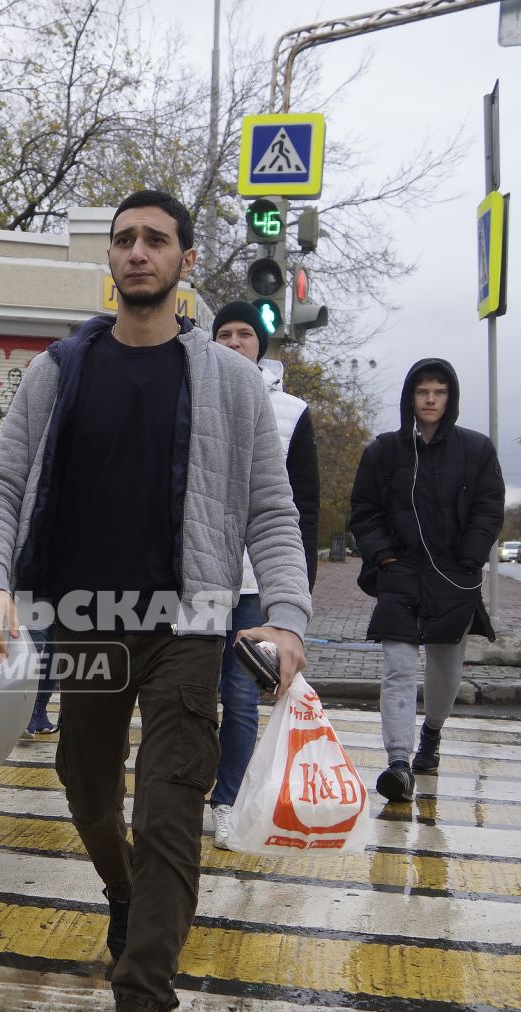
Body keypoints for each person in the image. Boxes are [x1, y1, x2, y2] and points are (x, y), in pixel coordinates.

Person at [0, 189, 311, 1012]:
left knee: (168, 816)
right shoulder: (60, 371)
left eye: (156, 240)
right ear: (109, 262)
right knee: (85, 791)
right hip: (86, 620)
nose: (138, 252)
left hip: (188, 629)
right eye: (124, 240)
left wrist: (286, 618)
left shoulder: (232, 385)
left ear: (185, 261)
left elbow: (273, 513)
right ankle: (121, 895)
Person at [348, 358, 504, 802]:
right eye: (423, 391)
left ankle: (432, 732)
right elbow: (364, 511)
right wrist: (385, 556)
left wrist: (470, 557)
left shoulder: (476, 450)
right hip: (399, 573)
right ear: (410, 398)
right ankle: (398, 762)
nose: (431, 399)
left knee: (445, 671)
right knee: (397, 668)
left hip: (453, 577)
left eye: (439, 391)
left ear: (450, 398)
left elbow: (489, 508)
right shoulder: (384, 451)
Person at [206, 301, 320, 848]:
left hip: (256, 583)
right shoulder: (191, 395)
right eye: (223, 333)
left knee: (243, 696)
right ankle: (186, 792)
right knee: (190, 693)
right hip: (196, 579)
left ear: (261, 344)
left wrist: (295, 598)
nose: (233, 342)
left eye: (244, 334)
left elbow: (304, 507)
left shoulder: (292, 412)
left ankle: (227, 800)